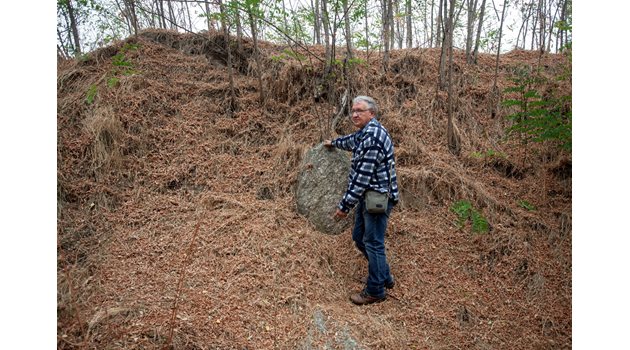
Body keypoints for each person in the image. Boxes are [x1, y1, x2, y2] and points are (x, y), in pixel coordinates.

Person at [324, 95, 399, 305]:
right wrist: (335, 143)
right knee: (359, 237)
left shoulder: (373, 137)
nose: (355, 114)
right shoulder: (365, 132)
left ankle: (375, 290)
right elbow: (351, 141)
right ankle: (383, 275)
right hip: (367, 198)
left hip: (377, 198)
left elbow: (362, 178)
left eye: (360, 110)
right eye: (353, 110)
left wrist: (344, 207)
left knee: (373, 243)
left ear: (372, 113)